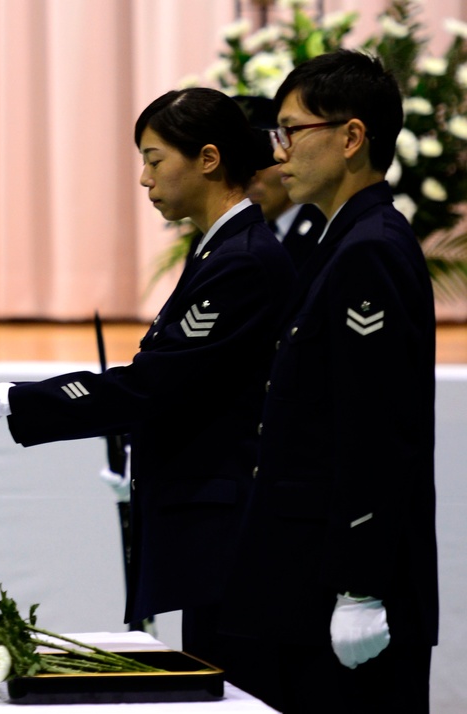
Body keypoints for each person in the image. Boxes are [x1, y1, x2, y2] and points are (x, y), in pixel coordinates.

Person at [0, 87, 296, 670]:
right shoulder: (220, 249)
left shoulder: (242, 259)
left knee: (235, 686)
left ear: (207, 159)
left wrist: (10, 401)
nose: (145, 180)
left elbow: (155, 384)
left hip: (231, 530)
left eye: (154, 161)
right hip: (213, 522)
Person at [219, 50, 438, 713]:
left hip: (339, 585)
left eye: (291, 130)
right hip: (304, 577)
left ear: (350, 137)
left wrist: (360, 586)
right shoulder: (342, 239)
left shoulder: (369, 249)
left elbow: (375, 427)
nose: (277, 150)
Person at [237, 96, 327, 269]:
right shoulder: (223, 239)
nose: (248, 175)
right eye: (235, 162)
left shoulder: (327, 230)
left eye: (261, 157)